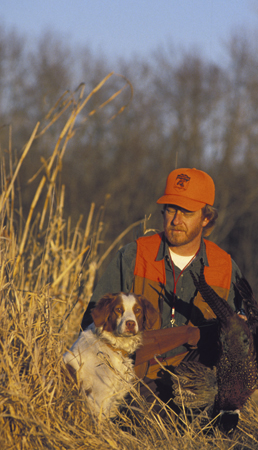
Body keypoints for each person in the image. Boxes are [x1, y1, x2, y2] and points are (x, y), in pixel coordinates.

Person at [81, 167, 245, 392]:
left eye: (186, 212)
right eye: (170, 210)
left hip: (194, 387)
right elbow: (92, 322)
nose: (176, 220)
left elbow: (244, 338)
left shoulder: (225, 267)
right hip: (132, 378)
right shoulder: (134, 256)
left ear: (206, 217)